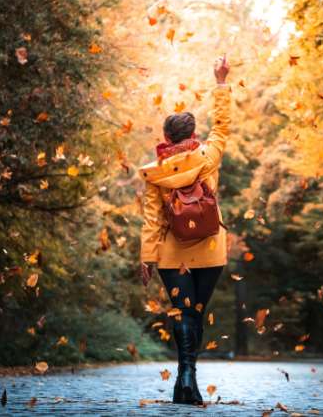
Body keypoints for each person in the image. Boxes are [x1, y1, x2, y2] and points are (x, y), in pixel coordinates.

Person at [137, 55, 231, 405]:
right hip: (209, 251)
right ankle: (187, 376)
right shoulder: (208, 156)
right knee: (195, 314)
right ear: (193, 135)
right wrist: (220, 82)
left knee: (182, 312)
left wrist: (147, 257)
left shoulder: (155, 173)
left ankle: (184, 377)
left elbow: (153, 220)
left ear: (165, 137)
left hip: (171, 255)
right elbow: (222, 126)